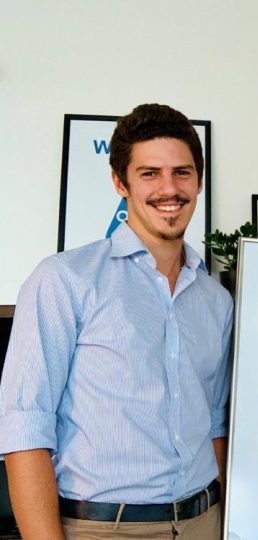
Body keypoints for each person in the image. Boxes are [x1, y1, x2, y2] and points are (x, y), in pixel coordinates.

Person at [0, 104, 233, 539]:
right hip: (103, 528)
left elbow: (217, 425)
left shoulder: (216, 301)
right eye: (150, 173)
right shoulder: (64, 280)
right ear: (120, 182)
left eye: (182, 173)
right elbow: (25, 428)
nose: (169, 188)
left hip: (205, 522)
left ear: (199, 182)